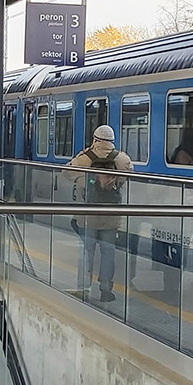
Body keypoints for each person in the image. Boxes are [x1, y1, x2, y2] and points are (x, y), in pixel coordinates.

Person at [67, 125, 134, 302]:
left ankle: (83, 288)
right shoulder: (122, 159)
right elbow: (129, 175)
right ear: (112, 140)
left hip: (88, 215)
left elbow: (66, 172)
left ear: (95, 140)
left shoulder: (84, 158)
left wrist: (83, 176)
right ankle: (105, 290)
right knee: (108, 251)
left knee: (86, 251)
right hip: (111, 215)